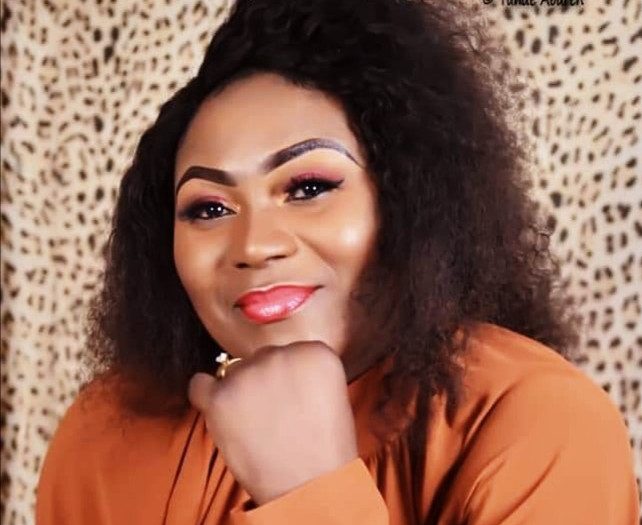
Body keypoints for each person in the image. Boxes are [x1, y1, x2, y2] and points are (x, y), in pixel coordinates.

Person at [35, 0, 640, 523]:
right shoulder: (106, 435)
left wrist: (307, 491)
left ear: (407, 204)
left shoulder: (539, 422)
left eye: (308, 188)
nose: (254, 245)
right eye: (210, 208)